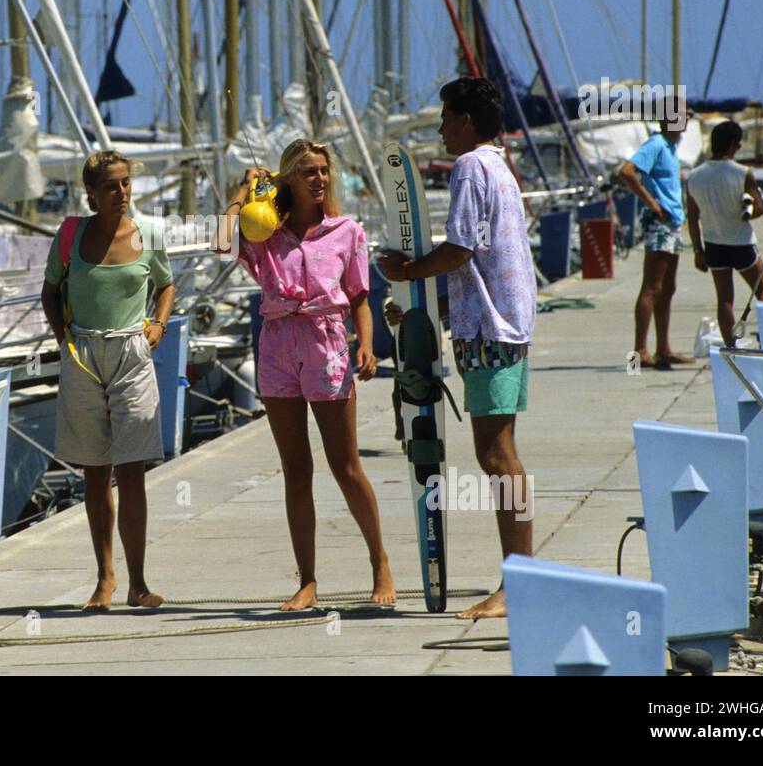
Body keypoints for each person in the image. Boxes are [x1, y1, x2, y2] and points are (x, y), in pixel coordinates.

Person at [376, 78, 535, 621]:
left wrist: (407, 270)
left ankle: (517, 585)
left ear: (467, 120)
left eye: (446, 117)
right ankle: (520, 580)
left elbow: (461, 248)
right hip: (503, 325)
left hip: (490, 333)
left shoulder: (471, 166)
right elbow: (486, 261)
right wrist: (430, 311)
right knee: (502, 453)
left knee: (497, 457)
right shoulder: (502, 166)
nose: (441, 128)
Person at [219, 139, 394, 611]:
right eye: (309, 172)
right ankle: (308, 580)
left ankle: (379, 561)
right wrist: (246, 188)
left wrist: (368, 346)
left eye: (323, 171)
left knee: (346, 467)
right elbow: (221, 239)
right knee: (296, 471)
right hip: (277, 344)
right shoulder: (264, 234)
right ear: (288, 179)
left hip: (326, 342)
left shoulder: (346, 231)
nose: (319, 180)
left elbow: (359, 297)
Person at [40, 151, 175, 611]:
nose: (121, 192)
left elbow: (167, 284)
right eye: (111, 186)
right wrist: (63, 340)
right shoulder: (71, 235)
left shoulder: (150, 234)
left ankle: (138, 582)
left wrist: (157, 324)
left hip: (131, 352)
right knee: (94, 473)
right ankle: (105, 579)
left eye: (125, 183)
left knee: (132, 469)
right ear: (92, 194)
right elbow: (51, 290)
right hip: (83, 351)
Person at [617, 104, 695, 370]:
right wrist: (651, 203)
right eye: (685, 113)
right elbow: (626, 172)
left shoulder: (671, 148)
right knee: (651, 286)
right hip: (660, 222)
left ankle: (663, 348)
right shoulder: (657, 144)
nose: (689, 117)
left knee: (667, 287)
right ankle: (640, 350)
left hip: (672, 223)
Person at [686, 120, 763, 346]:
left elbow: (692, 217)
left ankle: (731, 346)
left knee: (724, 300)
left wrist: (697, 251)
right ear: (733, 144)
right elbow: (759, 207)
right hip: (741, 243)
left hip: (713, 244)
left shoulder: (694, 177)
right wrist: (749, 213)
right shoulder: (742, 173)